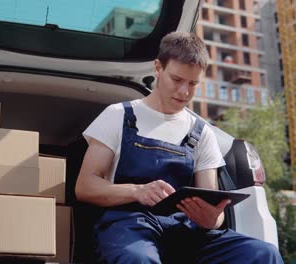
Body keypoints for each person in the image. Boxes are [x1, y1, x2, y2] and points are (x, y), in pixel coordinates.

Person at [74, 31, 283, 264]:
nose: (184, 92)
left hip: (184, 231)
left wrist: (212, 218)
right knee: (139, 259)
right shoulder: (118, 115)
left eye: (193, 83)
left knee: (263, 253)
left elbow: (212, 205)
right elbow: (85, 187)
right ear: (158, 68)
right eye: (177, 80)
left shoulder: (202, 132)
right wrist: (137, 191)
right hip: (129, 227)